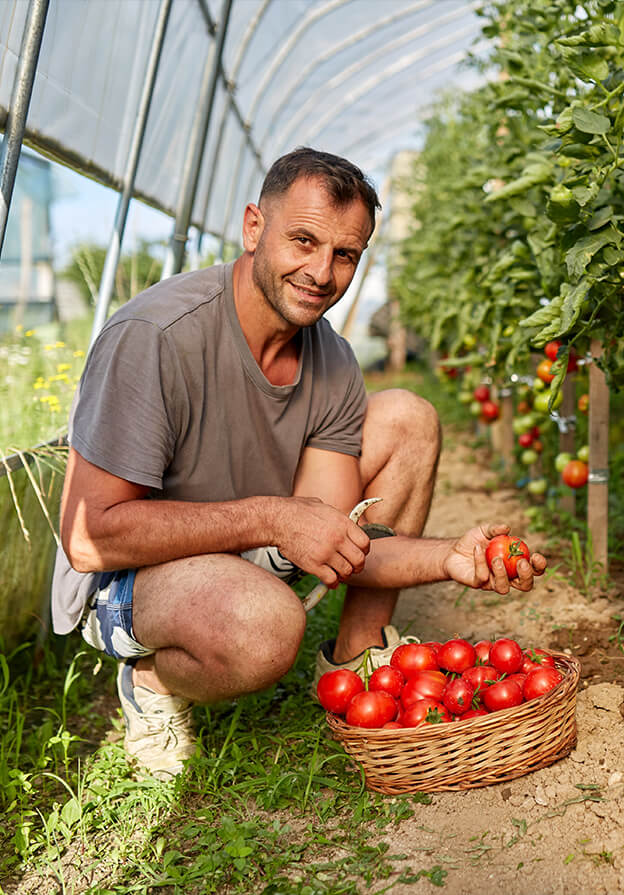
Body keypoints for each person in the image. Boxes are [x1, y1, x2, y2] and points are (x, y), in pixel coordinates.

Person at [51, 148, 546, 779]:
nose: (321, 272)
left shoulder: (331, 359)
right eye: (303, 240)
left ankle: (357, 663)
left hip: (245, 551)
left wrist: (448, 557)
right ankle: (151, 679)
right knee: (265, 627)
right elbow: (91, 539)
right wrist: (275, 518)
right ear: (254, 228)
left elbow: (339, 534)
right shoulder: (157, 336)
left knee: (407, 417)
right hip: (128, 580)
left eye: (345, 255)